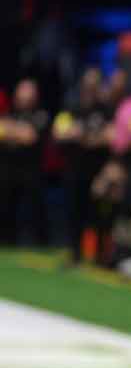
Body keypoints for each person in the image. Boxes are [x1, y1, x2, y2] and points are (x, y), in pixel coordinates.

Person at [55, 68, 111, 264]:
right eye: (88, 84)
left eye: (94, 84)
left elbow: (110, 135)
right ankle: (74, 253)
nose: (91, 88)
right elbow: (59, 132)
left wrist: (88, 138)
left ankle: (100, 255)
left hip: (98, 171)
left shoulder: (105, 109)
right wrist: (75, 133)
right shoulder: (71, 107)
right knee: (74, 212)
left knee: (99, 214)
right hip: (74, 169)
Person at [0, 79, 50, 246]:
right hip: (8, 169)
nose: (24, 99)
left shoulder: (41, 115)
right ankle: (7, 240)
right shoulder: (10, 113)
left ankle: (41, 242)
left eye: (28, 95)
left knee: (35, 208)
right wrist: (17, 131)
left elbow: (30, 136)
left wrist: (9, 131)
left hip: (32, 171)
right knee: (7, 207)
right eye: (22, 94)